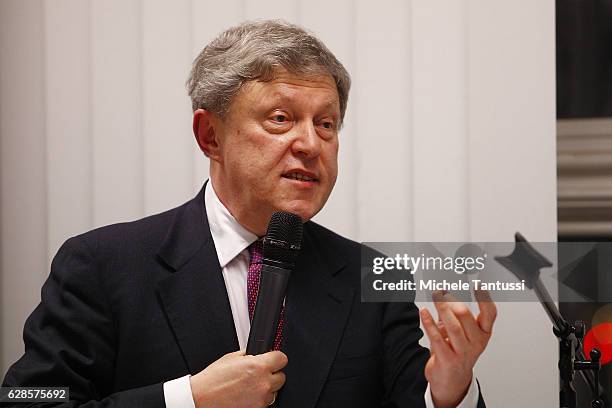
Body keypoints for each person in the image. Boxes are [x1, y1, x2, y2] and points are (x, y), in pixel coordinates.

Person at [2, 20, 495, 407]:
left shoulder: (370, 278)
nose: (310, 143)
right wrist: (186, 399)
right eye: (280, 119)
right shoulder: (102, 265)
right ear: (210, 136)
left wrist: (449, 392)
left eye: (326, 124)